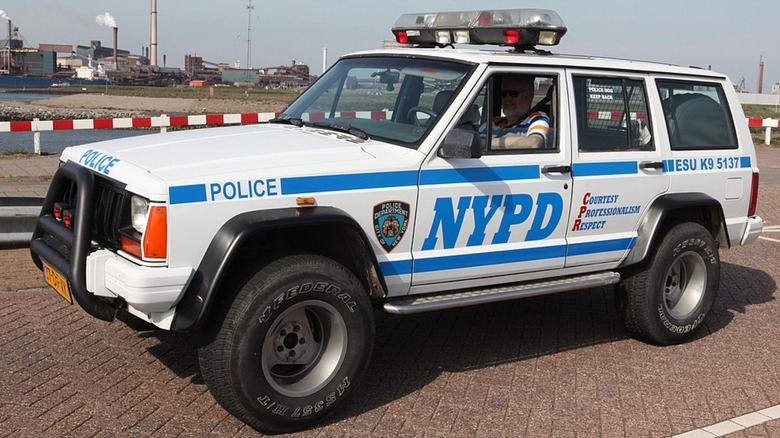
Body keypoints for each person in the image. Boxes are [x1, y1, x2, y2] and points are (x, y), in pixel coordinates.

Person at [490, 75, 550, 149]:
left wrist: (485, 144)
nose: (507, 98)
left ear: (530, 95)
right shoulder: (492, 122)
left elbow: (534, 142)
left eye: (513, 93)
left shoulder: (537, 119)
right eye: (503, 94)